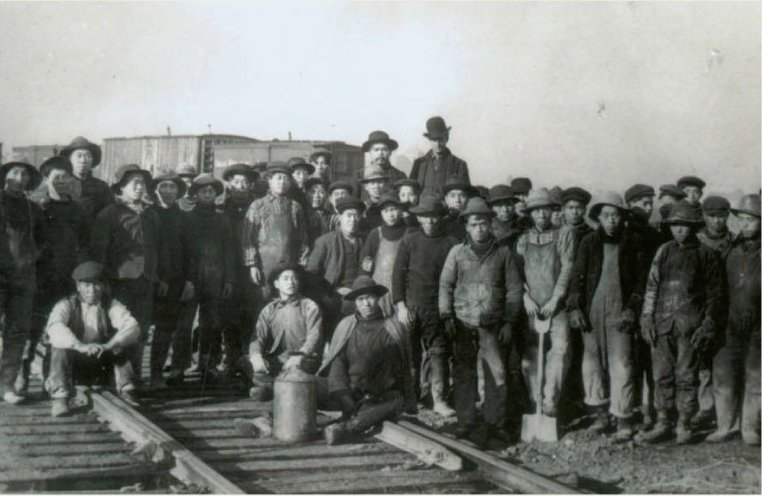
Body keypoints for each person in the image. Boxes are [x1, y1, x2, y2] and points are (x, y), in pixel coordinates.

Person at [637, 200, 724, 445]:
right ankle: (663, 421)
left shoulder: (707, 254)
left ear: (694, 227)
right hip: (662, 325)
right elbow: (652, 287)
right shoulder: (663, 251)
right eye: (675, 225)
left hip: (690, 327)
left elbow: (715, 295)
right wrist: (646, 317)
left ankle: (684, 424)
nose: (679, 230)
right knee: (661, 375)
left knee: (686, 376)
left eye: (684, 225)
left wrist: (708, 324)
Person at [439, 197, 523, 445]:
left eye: (484, 223)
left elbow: (514, 291)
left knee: (497, 374)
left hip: (492, 325)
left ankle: (495, 425)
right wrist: (447, 316)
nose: (480, 229)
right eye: (474, 224)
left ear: (491, 224)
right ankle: (466, 423)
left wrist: (508, 322)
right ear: (466, 225)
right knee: (464, 374)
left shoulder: (503, 253)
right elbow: (445, 285)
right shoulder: (457, 253)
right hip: (463, 324)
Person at [567, 192, 647, 442]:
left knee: (622, 365)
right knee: (592, 365)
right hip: (592, 313)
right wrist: (574, 308)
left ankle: (623, 418)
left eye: (616, 215)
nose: (611, 220)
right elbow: (577, 279)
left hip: (620, 313)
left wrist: (632, 309)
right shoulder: (589, 242)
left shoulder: (633, 243)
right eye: (606, 215)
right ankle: (602, 416)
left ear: (622, 217)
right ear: (598, 218)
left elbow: (641, 282)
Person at [17, 157, 90, 394]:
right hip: (39, 280)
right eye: (56, 177)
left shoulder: (77, 210)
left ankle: (53, 378)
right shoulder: (35, 207)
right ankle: (21, 375)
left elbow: (85, 242)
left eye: (66, 177)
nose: (62, 182)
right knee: (31, 330)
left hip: (66, 280)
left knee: (59, 331)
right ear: (46, 179)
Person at [91, 164, 167, 384]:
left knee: (141, 329)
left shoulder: (151, 214)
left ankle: (133, 378)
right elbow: (99, 250)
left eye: (142, 183)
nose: (139, 187)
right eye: (134, 183)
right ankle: (118, 378)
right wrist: (101, 281)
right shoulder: (110, 214)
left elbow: (159, 249)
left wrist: (160, 276)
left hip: (146, 280)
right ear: (121, 188)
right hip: (119, 280)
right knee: (120, 329)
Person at [320, 275, 416, 445]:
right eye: (361, 299)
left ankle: (348, 427)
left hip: (378, 393)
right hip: (349, 390)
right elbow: (338, 363)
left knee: (396, 401)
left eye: (370, 297)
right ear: (355, 303)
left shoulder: (391, 328)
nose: (366, 303)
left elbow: (392, 370)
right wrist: (344, 395)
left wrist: (368, 396)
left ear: (377, 299)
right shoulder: (346, 326)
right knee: (308, 388)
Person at [45, 261, 140, 416]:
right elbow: (55, 328)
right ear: (78, 286)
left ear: (103, 286)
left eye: (96, 285)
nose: (92, 291)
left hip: (100, 359)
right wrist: (79, 346)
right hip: (73, 361)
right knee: (59, 345)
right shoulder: (66, 304)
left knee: (122, 341)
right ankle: (60, 396)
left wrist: (108, 345)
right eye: (87, 285)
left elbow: (132, 325)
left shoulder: (112, 304)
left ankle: (126, 388)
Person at [392, 196, 459, 416]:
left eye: (434, 217)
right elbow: (397, 276)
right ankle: (411, 399)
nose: (430, 222)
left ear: (441, 218)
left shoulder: (451, 242)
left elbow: (455, 279)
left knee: (439, 353)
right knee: (410, 354)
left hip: (438, 308)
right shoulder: (410, 240)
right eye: (425, 217)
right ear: (419, 218)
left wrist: (447, 310)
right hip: (412, 308)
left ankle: (438, 399)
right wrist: (401, 307)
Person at [514, 188, 574, 418]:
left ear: (551, 211)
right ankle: (534, 400)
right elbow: (516, 273)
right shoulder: (523, 240)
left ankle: (550, 401)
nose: (541, 214)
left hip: (556, 307)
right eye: (536, 210)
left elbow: (567, 268)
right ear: (530, 213)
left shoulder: (563, 235)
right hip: (532, 307)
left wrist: (556, 299)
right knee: (530, 356)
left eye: (545, 209)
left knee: (560, 350)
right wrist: (525, 296)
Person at [708, 194, 760, 445]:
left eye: (751, 220)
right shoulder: (730, 249)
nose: (745, 225)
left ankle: (750, 428)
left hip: (758, 326)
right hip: (729, 323)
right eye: (742, 220)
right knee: (724, 374)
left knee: (755, 377)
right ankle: (725, 426)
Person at [0, 161, 45, 404]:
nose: (20, 177)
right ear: (5, 175)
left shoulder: (33, 209)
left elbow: (43, 239)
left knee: (17, 333)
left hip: (23, 278)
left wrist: (32, 256)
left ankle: (6, 385)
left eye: (25, 174)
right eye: (15, 172)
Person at [185, 175, 237, 382]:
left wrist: (229, 280)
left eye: (211, 191)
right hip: (191, 278)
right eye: (203, 191)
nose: (207, 195)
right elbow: (182, 250)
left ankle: (208, 364)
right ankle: (182, 365)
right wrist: (185, 278)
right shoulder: (186, 218)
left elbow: (230, 252)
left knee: (212, 322)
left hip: (215, 278)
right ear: (196, 194)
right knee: (186, 322)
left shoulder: (222, 220)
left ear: (216, 195)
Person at [244, 264, 323, 400]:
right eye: (285, 279)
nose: (290, 282)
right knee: (246, 362)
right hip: (278, 361)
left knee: (299, 374)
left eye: (294, 279)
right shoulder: (269, 309)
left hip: (303, 361)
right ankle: (281, 389)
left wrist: (300, 355)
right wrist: (256, 356)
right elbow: (258, 336)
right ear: (277, 284)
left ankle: (270, 390)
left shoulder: (309, 306)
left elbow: (314, 336)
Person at [149, 173, 193, 389]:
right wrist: (158, 277)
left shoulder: (184, 218)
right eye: (163, 186)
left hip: (177, 279)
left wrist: (188, 281)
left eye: (172, 187)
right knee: (147, 328)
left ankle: (163, 373)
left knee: (168, 327)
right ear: (156, 190)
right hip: (152, 278)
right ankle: (140, 375)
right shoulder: (149, 214)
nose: (168, 190)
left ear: (178, 191)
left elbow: (190, 252)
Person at [242, 161, 309, 301]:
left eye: (286, 178)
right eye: (278, 178)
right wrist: (252, 265)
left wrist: (302, 264)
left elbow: (303, 238)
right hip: (264, 266)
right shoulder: (258, 206)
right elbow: (248, 239)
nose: (282, 182)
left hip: (289, 265)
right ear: (269, 180)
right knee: (263, 302)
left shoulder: (295, 207)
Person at [307, 196, 366, 334]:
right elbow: (311, 275)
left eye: (357, 216)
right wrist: (329, 294)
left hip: (360, 294)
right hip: (333, 295)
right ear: (339, 217)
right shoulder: (325, 242)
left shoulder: (365, 240)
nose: (353, 220)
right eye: (349, 215)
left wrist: (356, 291)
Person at [221, 164, 261, 361]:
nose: (241, 186)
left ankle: (248, 358)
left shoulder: (258, 207)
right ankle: (231, 357)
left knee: (251, 314)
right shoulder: (221, 208)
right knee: (229, 316)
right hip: (228, 269)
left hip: (251, 270)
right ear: (229, 184)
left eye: (244, 182)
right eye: (236, 182)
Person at [360, 193, 408, 317]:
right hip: (379, 291)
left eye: (393, 209)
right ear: (381, 213)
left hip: (403, 292)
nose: (390, 214)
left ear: (400, 210)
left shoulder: (410, 234)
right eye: (386, 211)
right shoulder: (375, 234)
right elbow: (366, 266)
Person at [409, 116, 470, 197]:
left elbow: (465, 193)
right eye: (434, 140)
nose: (437, 144)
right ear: (429, 140)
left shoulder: (459, 165)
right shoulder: (419, 163)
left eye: (440, 139)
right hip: (423, 208)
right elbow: (411, 191)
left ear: (446, 138)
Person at [59, 136, 114, 219]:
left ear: (92, 160)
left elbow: (111, 216)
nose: (83, 160)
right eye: (79, 156)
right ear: (69, 159)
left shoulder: (102, 187)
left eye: (88, 156)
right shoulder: (61, 185)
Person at [356, 130, 406, 199]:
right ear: (370, 152)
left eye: (384, 149)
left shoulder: (399, 176)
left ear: (390, 152)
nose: (380, 153)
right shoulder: (359, 175)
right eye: (376, 150)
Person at [561, 187, 593, 258]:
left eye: (579, 208)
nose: (574, 212)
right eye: (571, 208)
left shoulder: (591, 234)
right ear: (563, 210)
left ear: (585, 210)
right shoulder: (556, 232)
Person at [359, 167, 389, 235]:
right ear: (366, 187)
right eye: (372, 183)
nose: (376, 186)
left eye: (380, 182)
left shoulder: (390, 206)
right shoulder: (362, 208)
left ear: (385, 185)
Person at [304, 177, 333, 247]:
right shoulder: (302, 214)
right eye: (313, 192)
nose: (316, 196)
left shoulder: (331, 217)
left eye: (321, 192)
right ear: (306, 194)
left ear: (326, 195)